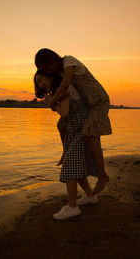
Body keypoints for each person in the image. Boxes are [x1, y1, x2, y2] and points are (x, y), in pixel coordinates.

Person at [34, 48, 112, 194]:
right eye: (45, 69)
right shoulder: (58, 74)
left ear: (53, 58)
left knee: (89, 135)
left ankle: (102, 175)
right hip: (89, 104)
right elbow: (57, 87)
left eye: (48, 65)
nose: (49, 69)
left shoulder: (68, 61)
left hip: (99, 101)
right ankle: (66, 152)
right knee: (61, 124)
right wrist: (44, 93)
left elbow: (65, 84)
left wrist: (52, 102)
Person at [34, 70, 99, 220]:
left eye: (40, 79)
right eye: (37, 83)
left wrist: (51, 101)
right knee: (76, 165)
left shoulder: (66, 87)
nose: (40, 84)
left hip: (83, 127)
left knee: (70, 165)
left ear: (50, 75)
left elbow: (63, 112)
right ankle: (90, 196)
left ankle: (72, 207)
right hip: (73, 127)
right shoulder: (57, 91)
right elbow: (64, 115)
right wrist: (50, 99)